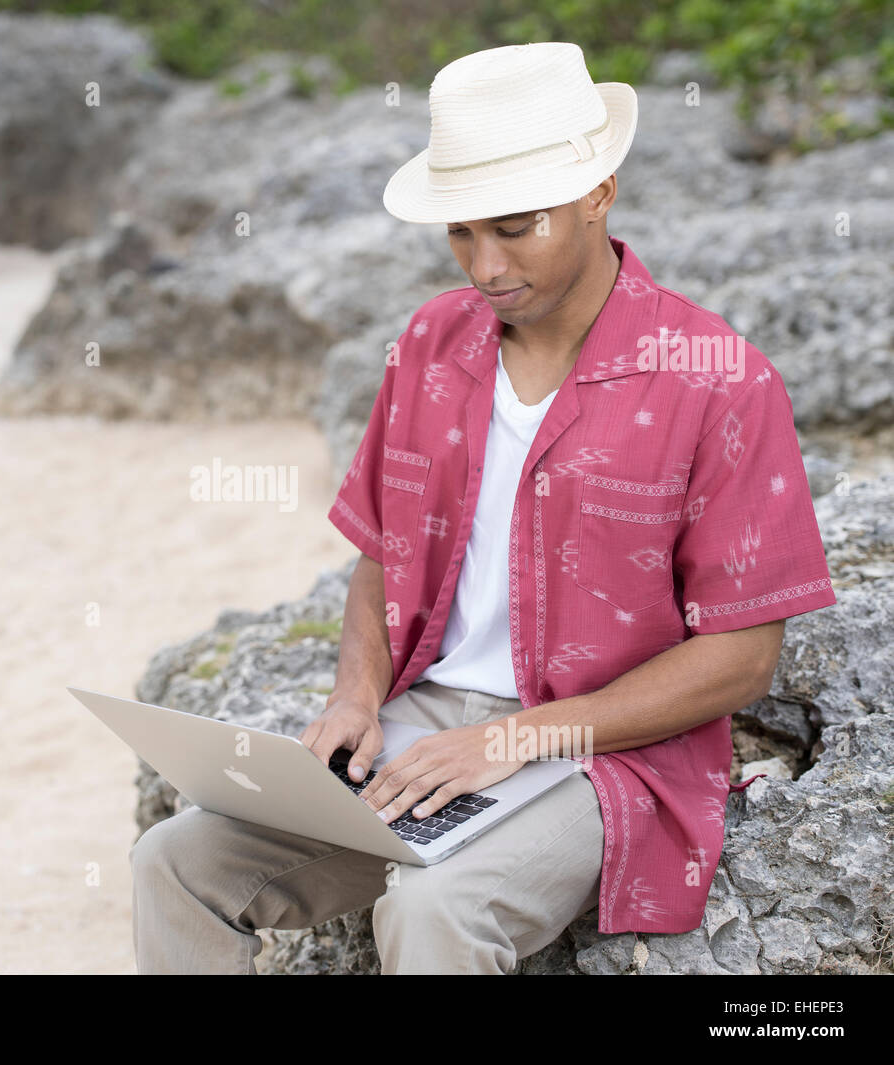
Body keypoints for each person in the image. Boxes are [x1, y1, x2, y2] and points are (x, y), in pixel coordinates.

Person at [129, 41, 836, 974]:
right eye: (461, 232)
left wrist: (513, 738)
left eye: (513, 227)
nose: (485, 264)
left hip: (606, 749)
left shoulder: (720, 381)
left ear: (599, 191)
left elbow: (744, 656)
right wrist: (356, 695)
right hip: (426, 724)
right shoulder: (428, 340)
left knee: (438, 906)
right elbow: (382, 550)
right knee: (173, 862)